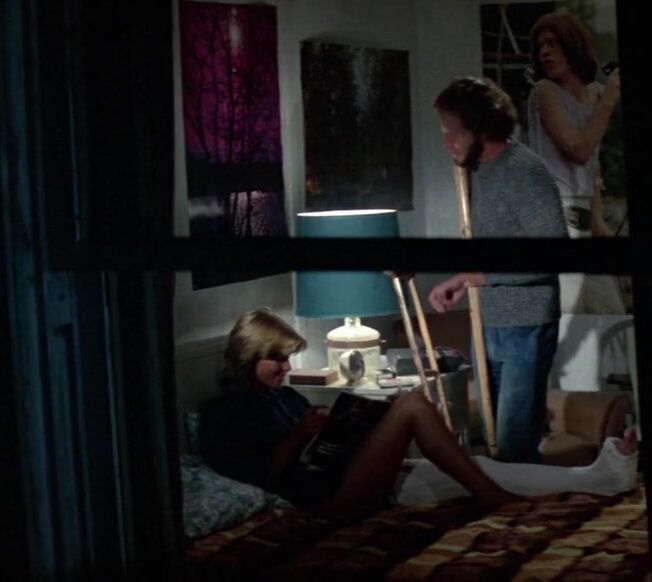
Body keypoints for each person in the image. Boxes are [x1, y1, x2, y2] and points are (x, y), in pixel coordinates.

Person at [198, 308, 637, 515]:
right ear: (249, 354)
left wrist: (352, 424)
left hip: (347, 471)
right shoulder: (225, 414)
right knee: (411, 405)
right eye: (277, 359)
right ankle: (493, 499)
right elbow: (262, 475)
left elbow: (319, 446)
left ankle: (598, 477)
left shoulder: (282, 395)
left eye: (288, 358)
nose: (286, 368)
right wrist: (301, 434)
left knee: (478, 465)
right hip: (325, 500)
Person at [428, 77, 568, 463]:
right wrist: (462, 280)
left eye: (452, 131)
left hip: (525, 322)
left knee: (513, 445)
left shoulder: (524, 171)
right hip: (488, 319)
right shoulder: (474, 170)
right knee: (491, 440)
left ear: (480, 128)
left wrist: (484, 277)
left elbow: (553, 254)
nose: (446, 141)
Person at [527, 12, 626, 314]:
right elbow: (578, 150)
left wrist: (598, 220)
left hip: (583, 220)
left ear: (572, 45)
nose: (545, 52)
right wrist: (608, 101)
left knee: (612, 316)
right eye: (540, 46)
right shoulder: (545, 91)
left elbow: (591, 163)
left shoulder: (595, 94)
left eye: (552, 43)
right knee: (568, 318)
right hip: (555, 219)